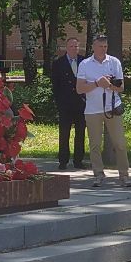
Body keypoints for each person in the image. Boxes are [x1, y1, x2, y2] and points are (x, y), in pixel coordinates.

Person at [76, 33, 131, 189]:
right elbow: (80, 89)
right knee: (94, 144)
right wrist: (96, 83)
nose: (103, 49)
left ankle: (124, 175)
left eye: (105, 46)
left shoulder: (114, 62)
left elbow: (121, 87)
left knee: (119, 143)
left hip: (112, 107)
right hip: (92, 110)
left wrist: (108, 85)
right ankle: (98, 174)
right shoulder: (85, 64)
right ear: (93, 47)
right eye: (100, 46)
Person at [51, 37, 86, 170]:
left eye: (76, 47)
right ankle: (63, 160)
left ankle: (78, 160)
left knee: (80, 132)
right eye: (71, 46)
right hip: (65, 104)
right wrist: (59, 102)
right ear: (66, 48)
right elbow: (56, 85)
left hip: (81, 103)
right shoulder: (59, 63)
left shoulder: (84, 61)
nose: (74, 49)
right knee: (64, 133)